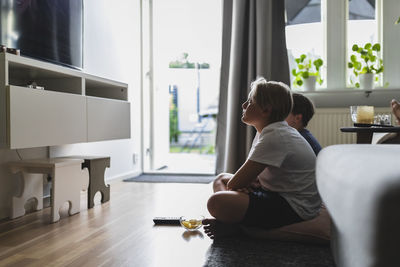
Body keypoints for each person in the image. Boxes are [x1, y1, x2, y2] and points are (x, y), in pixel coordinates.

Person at [202, 77, 321, 239]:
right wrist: (244, 185)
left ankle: (237, 228)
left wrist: (240, 186)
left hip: (295, 206)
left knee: (216, 202)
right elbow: (245, 179)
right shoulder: (267, 131)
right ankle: (232, 224)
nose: (244, 105)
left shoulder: (275, 136)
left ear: (266, 110)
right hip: (276, 194)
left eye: (250, 102)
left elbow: (236, 183)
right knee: (220, 179)